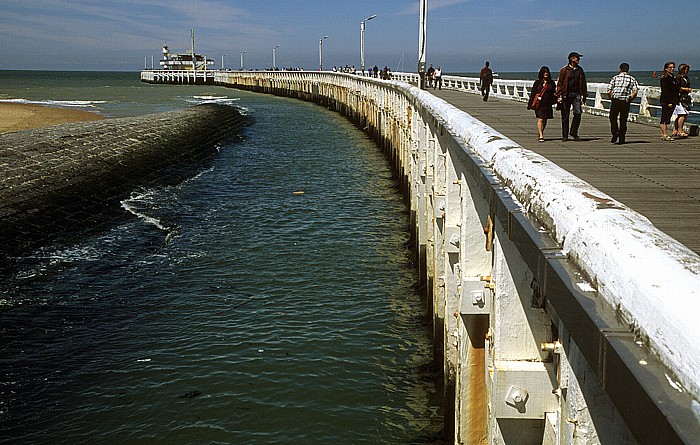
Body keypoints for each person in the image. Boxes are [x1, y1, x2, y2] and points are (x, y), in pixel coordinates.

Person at [556, 52, 587, 141]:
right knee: (565, 115)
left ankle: (573, 131)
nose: (578, 59)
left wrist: (584, 95)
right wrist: (558, 95)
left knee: (578, 113)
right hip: (566, 94)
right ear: (571, 59)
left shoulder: (580, 70)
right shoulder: (565, 70)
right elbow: (560, 83)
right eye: (577, 58)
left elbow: (583, 83)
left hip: (576, 94)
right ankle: (565, 135)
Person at [606, 63, 639, 144]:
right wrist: (630, 98)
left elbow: (609, 90)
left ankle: (615, 132)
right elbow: (635, 91)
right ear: (628, 69)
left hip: (616, 100)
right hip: (625, 101)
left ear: (619, 69)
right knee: (623, 120)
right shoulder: (632, 79)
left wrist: (611, 98)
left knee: (612, 117)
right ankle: (622, 138)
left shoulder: (615, 78)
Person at [527, 66, 557, 142]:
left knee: (545, 119)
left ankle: (541, 132)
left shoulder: (552, 83)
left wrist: (557, 100)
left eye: (547, 72)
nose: (546, 73)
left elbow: (554, 93)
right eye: (544, 72)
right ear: (541, 73)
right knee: (540, 118)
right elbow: (533, 93)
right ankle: (541, 135)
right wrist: (530, 104)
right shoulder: (537, 83)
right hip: (539, 103)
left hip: (547, 103)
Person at [659, 61, 679, 141]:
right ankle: (664, 134)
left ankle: (664, 133)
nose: (672, 69)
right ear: (666, 68)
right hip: (666, 100)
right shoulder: (665, 78)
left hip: (673, 100)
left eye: (673, 67)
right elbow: (665, 90)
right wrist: (669, 102)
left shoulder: (672, 77)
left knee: (667, 118)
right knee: (664, 117)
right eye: (670, 67)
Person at [674, 64, 692, 138]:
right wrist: (685, 89)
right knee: (683, 114)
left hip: (685, 98)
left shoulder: (686, 77)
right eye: (686, 69)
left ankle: (675, 130)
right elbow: (676, 87)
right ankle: (680, 130)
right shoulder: (678, 77)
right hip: (679, 98)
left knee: (681, 114)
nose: (687, 71)